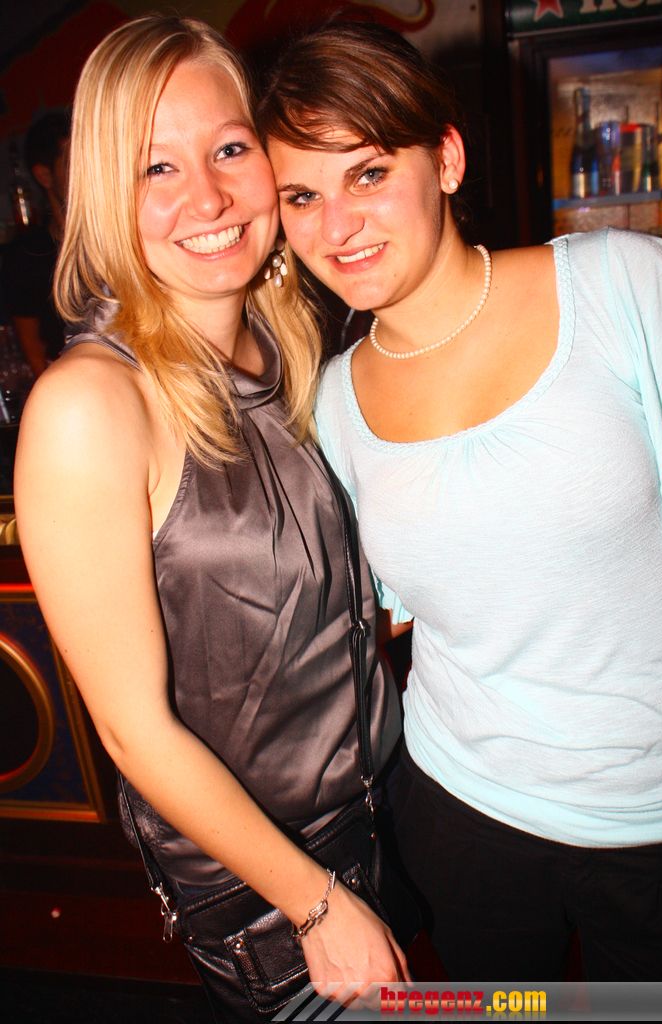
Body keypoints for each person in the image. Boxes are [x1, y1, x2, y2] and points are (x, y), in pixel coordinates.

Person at [258, 20, 662, 982]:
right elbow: (385, 626)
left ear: (445, 160)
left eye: (368, 173)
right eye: (302, 196)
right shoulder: (329, 404)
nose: (338, 225)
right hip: (463, 814)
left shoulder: (621, 282)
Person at [13, 16, 408, 1021]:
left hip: (384, 815)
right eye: (157, 167)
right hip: (274, 891)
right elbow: (131, 728)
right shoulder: (89, 406)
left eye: (230, 148)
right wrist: (315, 904)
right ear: (106, 193)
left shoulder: (291, 347)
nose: (209, 196)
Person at [2, 110, 70, 377]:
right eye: (73, 163)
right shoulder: (27, 257)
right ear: (44, 176)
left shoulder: (122, 237)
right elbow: (33, 349)